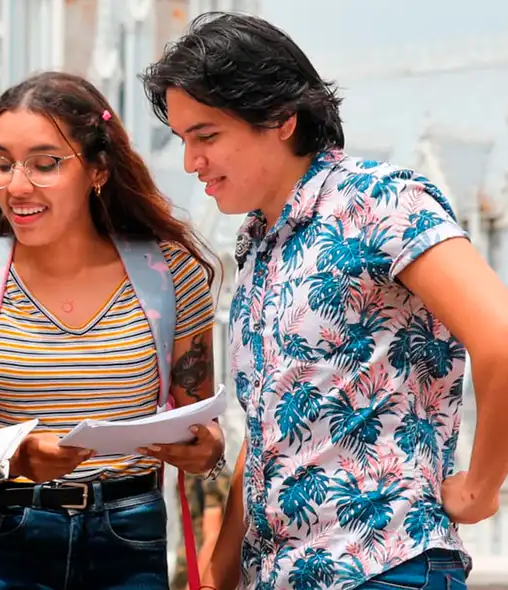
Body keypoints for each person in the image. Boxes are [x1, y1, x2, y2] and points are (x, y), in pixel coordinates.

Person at [142, 12, 508, 590]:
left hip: (385, 568)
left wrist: (480, 489)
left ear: (281, 119)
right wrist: (216, 573)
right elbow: (277, 425)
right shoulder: (259, 242)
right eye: (184, 140)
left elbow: (501, 340)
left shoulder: (381, 200)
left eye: (206, 136)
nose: (191, 162)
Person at [0, 71, 227, 590]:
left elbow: (200, 424)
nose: (16, 186)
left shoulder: (171, 276)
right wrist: (17, 457)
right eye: (2, 163)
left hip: (130, 539)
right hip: (2, 538)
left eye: (44, 164)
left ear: (98, 170)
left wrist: (209, 449)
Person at [172, 470, 231, 590]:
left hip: (203, 577)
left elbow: (213, 538)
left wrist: (194, 585)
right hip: (185, 574)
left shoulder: (212, 475)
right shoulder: (187, 475)